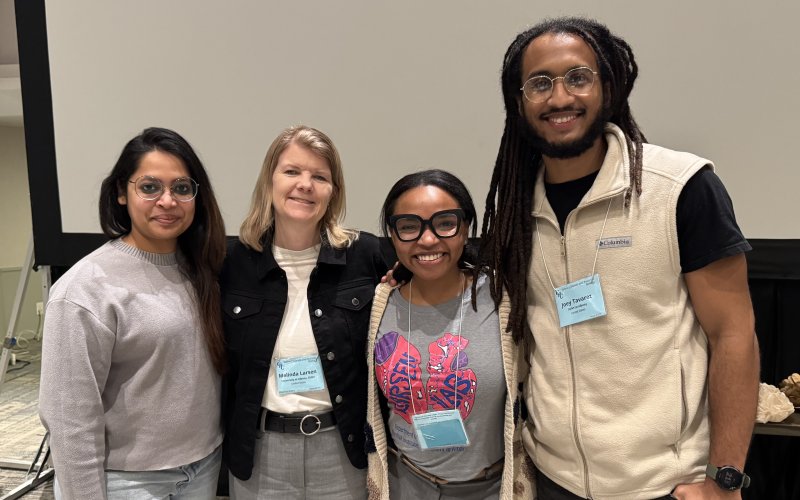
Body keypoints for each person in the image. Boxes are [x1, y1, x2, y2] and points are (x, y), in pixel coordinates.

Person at [478, 16, 760, 500]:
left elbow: (733, 333)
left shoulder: (680, 189)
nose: (560, 97)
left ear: (607, 86)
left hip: (665, 485)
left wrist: (725, 478)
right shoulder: (517, 211)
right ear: (518, 102)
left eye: (578, 77)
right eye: (539, 83)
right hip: (552, 479)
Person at [39, 127, 227, 499]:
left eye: (182, 188)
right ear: (122, 193)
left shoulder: (202, 270)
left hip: (203, 467)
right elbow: (70, 420)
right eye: (150, 187)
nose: (167, 201)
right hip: (128, 482)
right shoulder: (84, 290)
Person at [221, 125, 386, 499]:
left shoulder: (364, 257)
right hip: (261, 453)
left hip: (342, 450)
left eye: (319, 176)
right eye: (292, 171)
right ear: (269, 182)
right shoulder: (234, 264)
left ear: (333, 192)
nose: (305, 184)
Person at [365, 169, 535, 500]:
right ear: (392, 234)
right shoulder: (380, 304)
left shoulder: (503, 298)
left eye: (445, 223)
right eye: (409, 226)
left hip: (491, 487)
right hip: (405, 484)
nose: (427, 239)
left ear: (466, 227)